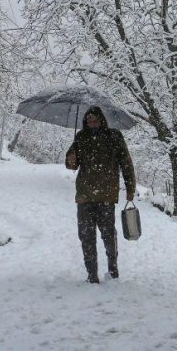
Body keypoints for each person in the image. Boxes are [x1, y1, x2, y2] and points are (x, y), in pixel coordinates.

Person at [64, 105, 136, 284]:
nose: (92, 123)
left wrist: (130, 188)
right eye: (88, 121)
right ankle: (91, 275)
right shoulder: (81, 137)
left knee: (108, 235)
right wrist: (71, 158)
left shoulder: (114, 136)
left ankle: (113, 270)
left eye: (95, 120)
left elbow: (126, 163)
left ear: (101, 120)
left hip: (106, 196)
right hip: (85, 195)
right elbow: (72, 165)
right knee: (86, 237)